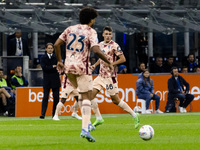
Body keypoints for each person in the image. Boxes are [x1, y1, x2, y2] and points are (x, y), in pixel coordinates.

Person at [54, 7, 113, 142]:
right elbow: (96, 50)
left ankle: (88, 124)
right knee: (86, 97)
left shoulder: (70, 29)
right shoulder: (90, 31)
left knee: (81, 94)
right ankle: (85, 129)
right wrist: (108, 61)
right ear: (91, 20)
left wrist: (59, 61)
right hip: (82, 68)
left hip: (68, 68)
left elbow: (57, 44)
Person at [90, 26, 140, 129]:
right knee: (90, 96)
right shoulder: (100, 45)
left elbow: (123, 59)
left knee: (116, 100)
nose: (107, 36)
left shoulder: (114, 46)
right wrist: (95, 65)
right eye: (106, 34)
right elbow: (101, 57)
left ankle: (134, 115)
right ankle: (99, 118)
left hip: (110, 77)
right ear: (103, 35)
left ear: (111, 35)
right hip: (100, 76)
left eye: (109, 34)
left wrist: (113, 63)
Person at [39, 43, 61, 119]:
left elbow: (59, 67)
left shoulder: (57, 57)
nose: (50, 49)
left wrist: (50, 67)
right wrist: (53, 66)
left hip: (55, 80)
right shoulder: (43, 58)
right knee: (45, 97)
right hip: (47, 80)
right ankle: (43, 114)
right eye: (49, 48)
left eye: (51, 48)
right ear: (46, 49)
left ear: (53, 49)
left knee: (56, 98)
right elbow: (44, 68)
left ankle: (54, 114)